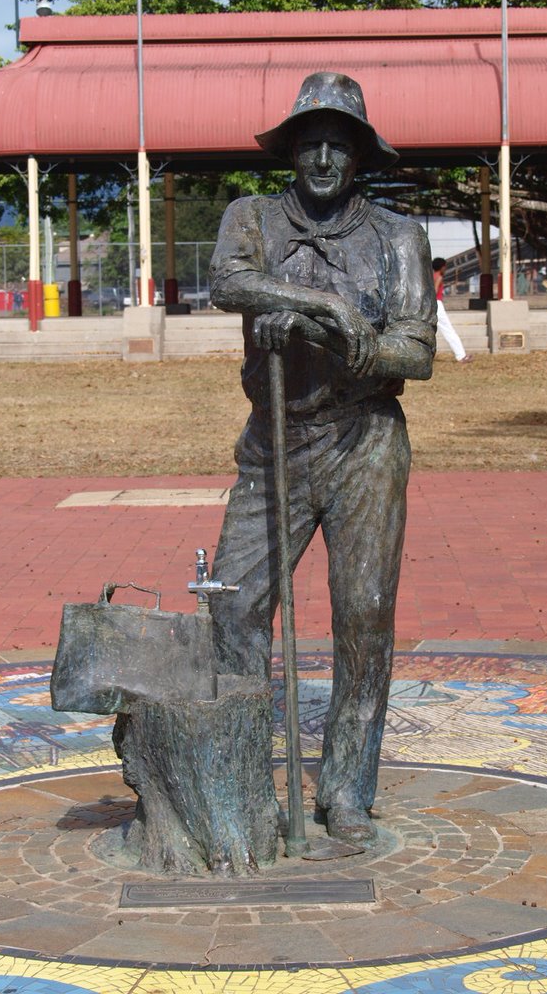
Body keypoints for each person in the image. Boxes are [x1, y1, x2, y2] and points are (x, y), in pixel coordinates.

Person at [209, 72, 436, 845]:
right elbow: (230, 281)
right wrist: (320, 305)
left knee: (363, 617)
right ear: (293, 152)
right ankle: (239, 781)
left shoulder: (398, 236)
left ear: (360, 154)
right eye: (312, 145)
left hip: (365, 441)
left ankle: (345, 788)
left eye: (341, 145)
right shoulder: (253, 218)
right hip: (275, 437)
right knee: (234, 604)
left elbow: (415, 349)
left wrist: (336, 337)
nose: (326, 160)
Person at [432, 256, 473, 363]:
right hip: (437, 304)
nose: (445, 269)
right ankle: (461, 355)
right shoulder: (439, 277)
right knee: (448, 330)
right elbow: (435, 291)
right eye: (444, 267)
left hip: (430, 304)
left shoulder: (431, 276)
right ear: (441, 267)